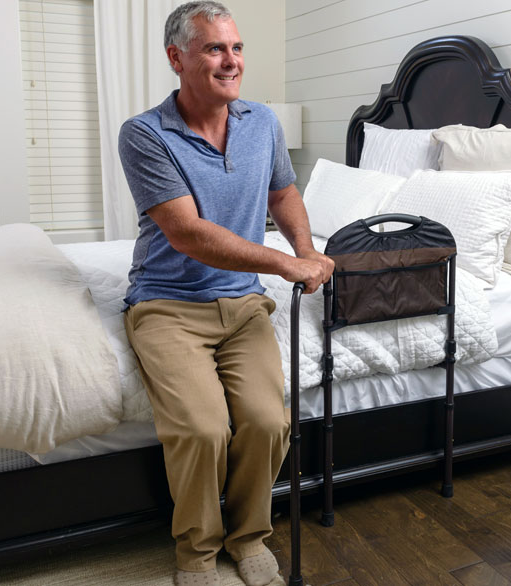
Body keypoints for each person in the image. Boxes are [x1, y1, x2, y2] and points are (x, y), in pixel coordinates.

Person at [118, 2, 334, 585]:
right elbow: (188, 234)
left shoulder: (262, 122)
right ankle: (196, 550)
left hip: (242, 306)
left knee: (268, 421)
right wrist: (286, 264)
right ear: (177, 58)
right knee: (203, 429)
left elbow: (283, 193)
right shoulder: (144, 134)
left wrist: (308, 249)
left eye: (236, 48)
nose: (231, 60)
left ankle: (248, 536)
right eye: (214, 48)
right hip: (167, 305)